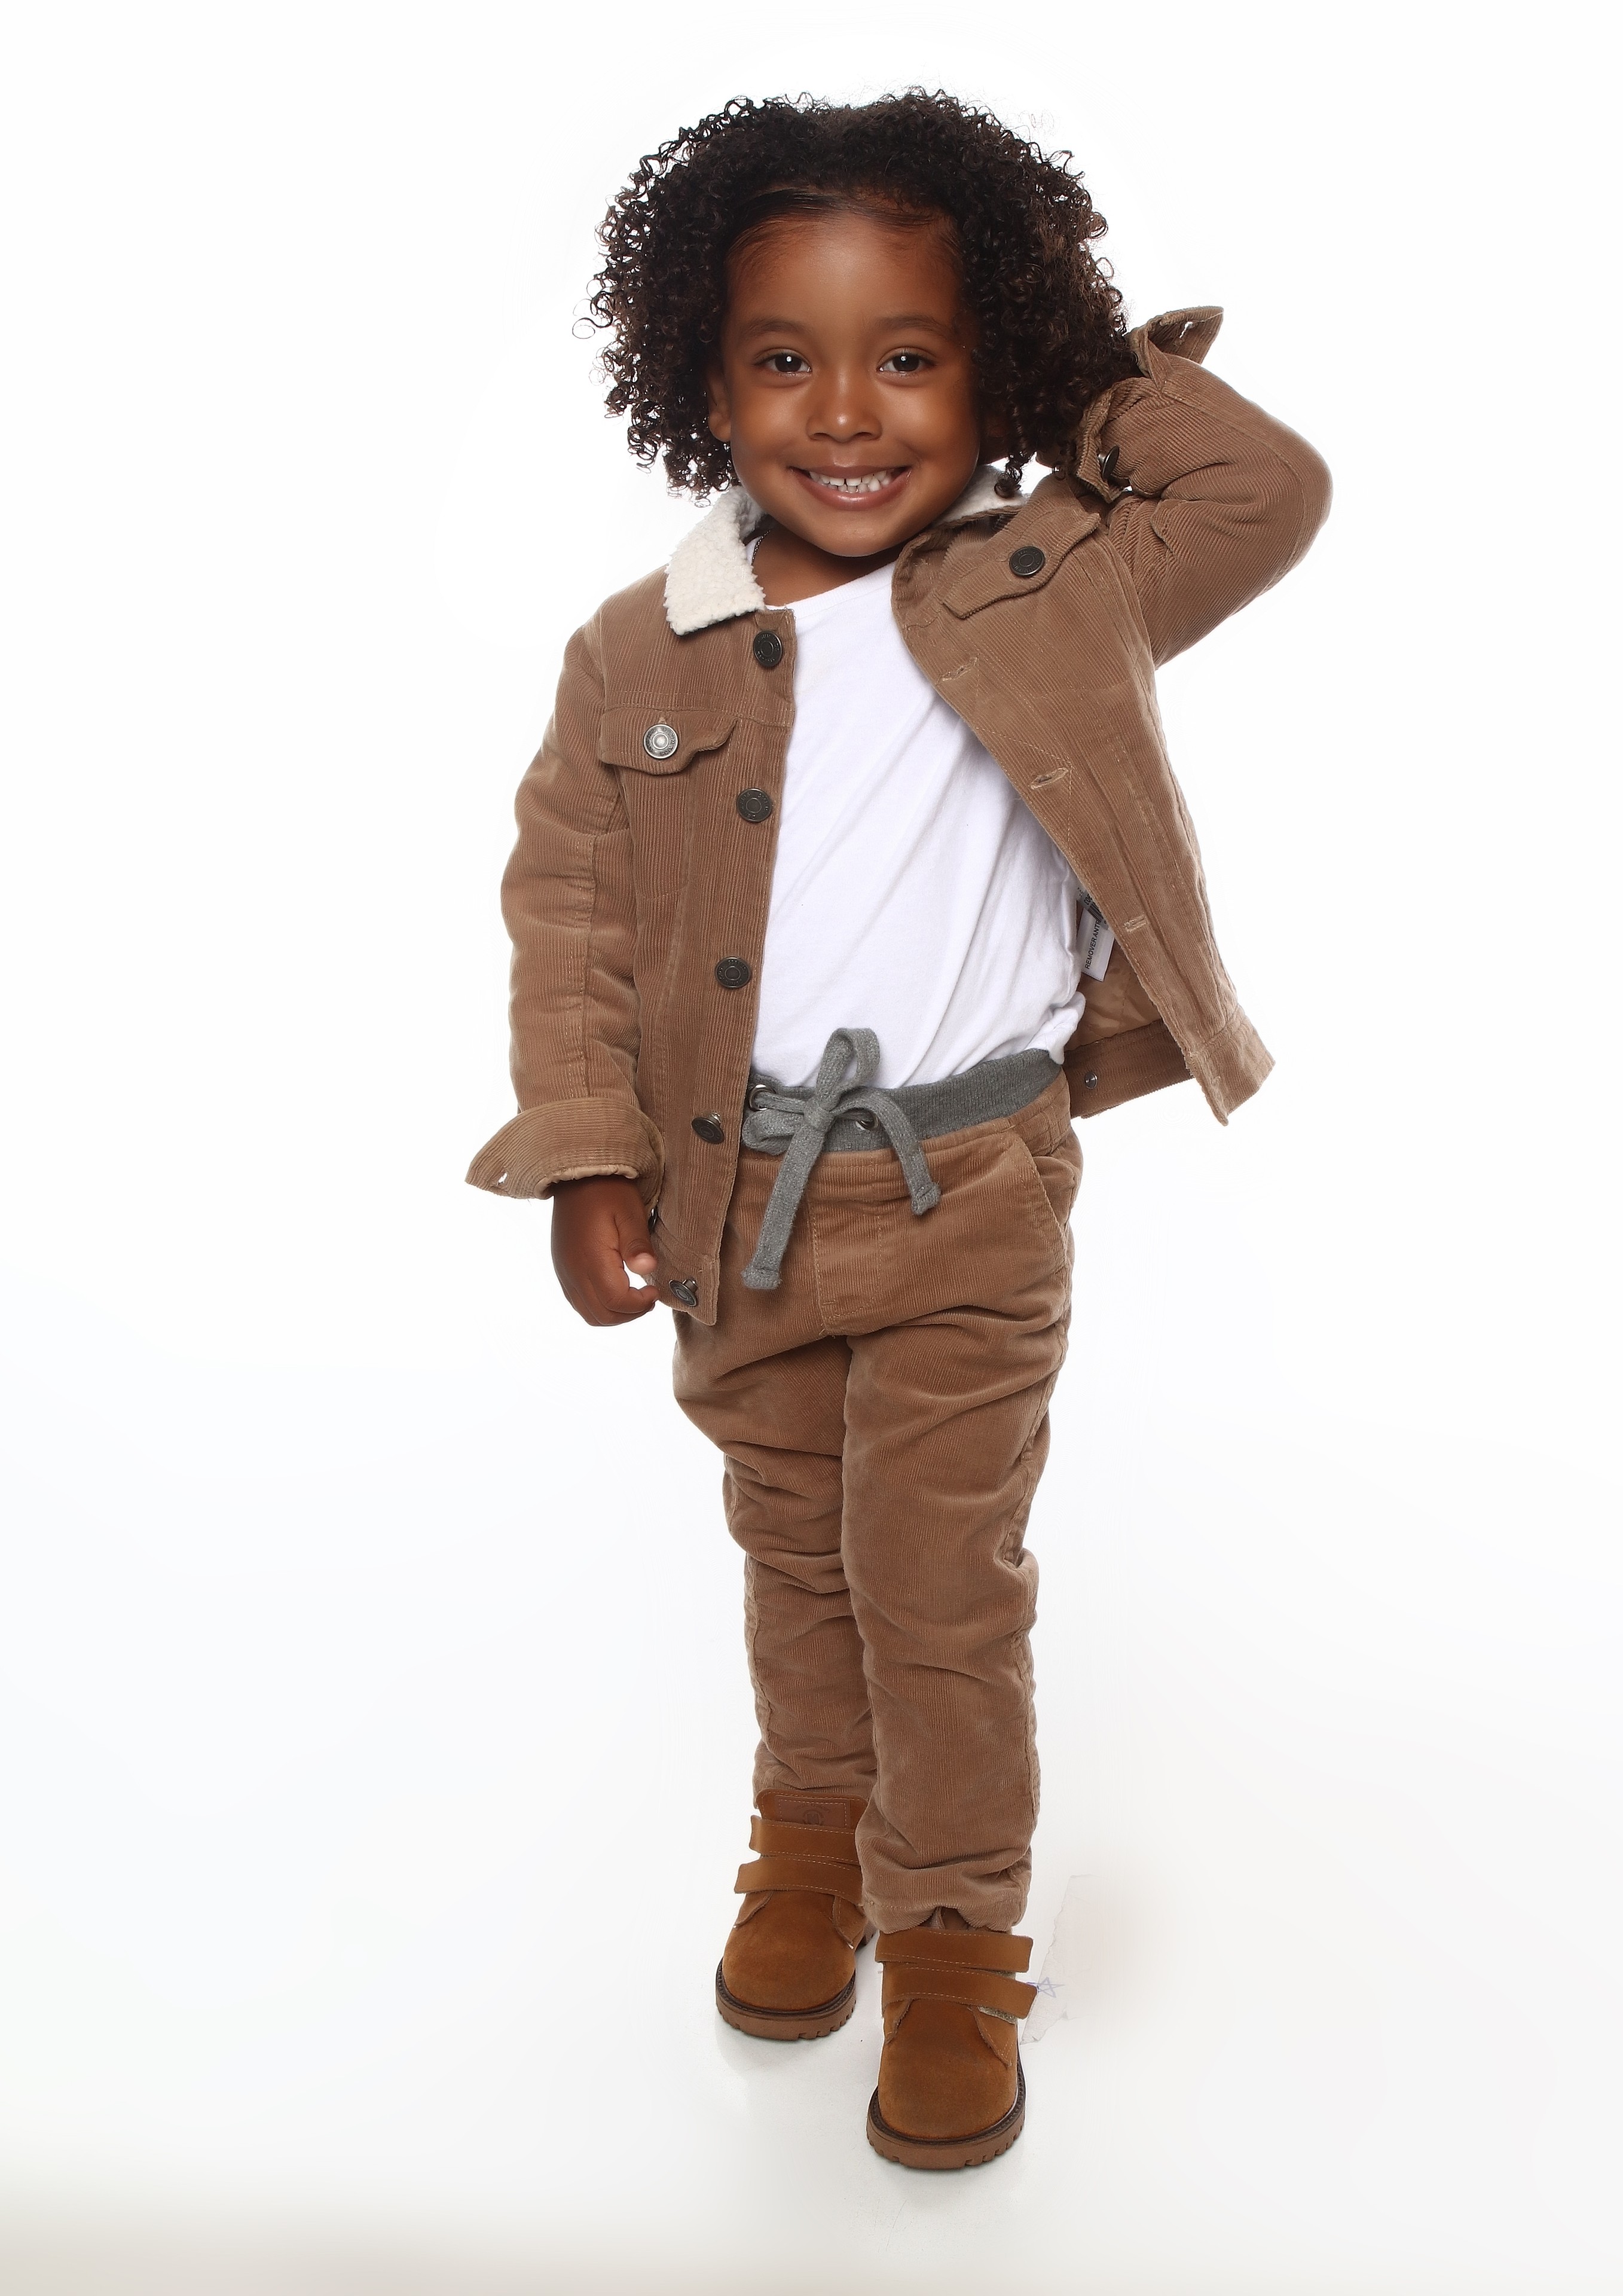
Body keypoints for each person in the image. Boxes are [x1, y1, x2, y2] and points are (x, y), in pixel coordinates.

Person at [467, 91, 1330, 2170]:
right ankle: (810, 1844)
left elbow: (1264, 484)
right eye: (785, 358)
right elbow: (573, 909)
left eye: (915, 355)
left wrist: (1060, 349)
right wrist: (585, 1152)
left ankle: (950, 1944)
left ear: (990, 367)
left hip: (971, 1190)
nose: (847, 412)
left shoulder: (1058, 580)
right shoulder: (636, 647)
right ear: (702, 385)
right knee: (795, 1560)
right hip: (732, 1197)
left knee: (934, 1581)